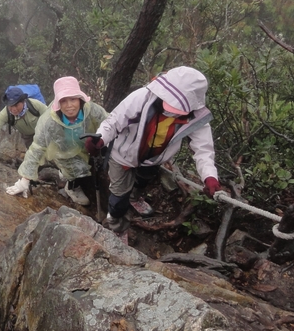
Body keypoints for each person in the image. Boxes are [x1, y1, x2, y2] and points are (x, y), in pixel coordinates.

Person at [87, 66, 221, 233]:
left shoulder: (197, 117)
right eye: (169, 103)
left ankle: (135, 198)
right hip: (122, 155)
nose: (170, 110)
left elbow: (203, 149)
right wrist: (100, 139)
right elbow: (113, 122)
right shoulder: (142, 97)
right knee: (119, 198)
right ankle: (117, 226)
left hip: (154, 159)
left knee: (144, 180)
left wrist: (209, 176)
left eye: (178, 108)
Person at [5, 76, 108, 206]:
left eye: (73, 99)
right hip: (64, 149)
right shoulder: (49, 121)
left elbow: (110, 123)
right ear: (58, 102)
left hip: (88, 143)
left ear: (80, 99)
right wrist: (24, 181)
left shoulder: (92, 110)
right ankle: (71, 186)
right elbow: (37, 148)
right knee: (75, 166)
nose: (69, 105)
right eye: (64, 101)